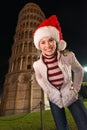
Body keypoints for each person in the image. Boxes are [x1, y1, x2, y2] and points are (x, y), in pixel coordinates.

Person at [33, 15, 87, 130]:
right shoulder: (37, 65)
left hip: (71, 95)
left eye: (50, 40)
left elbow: (79, 70)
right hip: (55, 99)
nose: (47, 45)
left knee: (84, 124)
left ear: (56, 41)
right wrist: (49, 92)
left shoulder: (68, 56)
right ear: (39, 45)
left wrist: (75, 89)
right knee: (62, 128)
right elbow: (39, 78)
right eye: (43, 42)